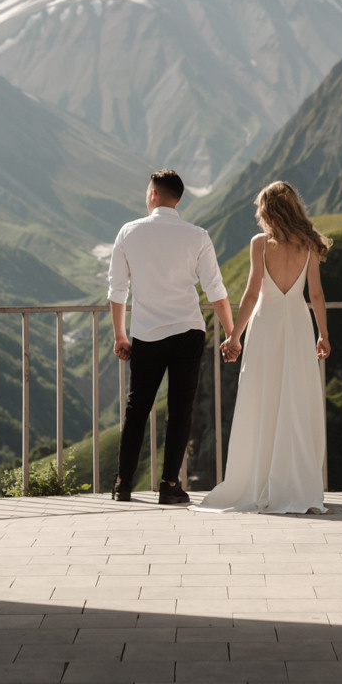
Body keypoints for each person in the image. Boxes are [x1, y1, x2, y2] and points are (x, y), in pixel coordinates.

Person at [200, 182, 331, 516]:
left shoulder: (260, 244)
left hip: (267, 325)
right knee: (296, 400)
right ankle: (297, 484)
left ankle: (258, 480)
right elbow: (315, 294)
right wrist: (323, 334)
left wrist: (234, 337)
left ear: (267, 210)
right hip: (300, 327)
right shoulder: (309, 244)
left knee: (262, 399)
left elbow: (252, 293)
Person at [107, 169, 236, 505]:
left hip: (147, 334)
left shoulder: (129, 232)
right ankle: (169, 485)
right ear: (178, 199)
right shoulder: (198, 236)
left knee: (137, 409)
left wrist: (121, 336)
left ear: (152, 194)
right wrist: (232, 334)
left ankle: (123, 484)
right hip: (188, 332)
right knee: (181, 410)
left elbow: (117, 290)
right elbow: (215, 291)